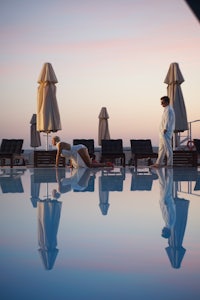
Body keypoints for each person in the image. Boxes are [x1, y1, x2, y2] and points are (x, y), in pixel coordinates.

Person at [151, 96, 175, 168]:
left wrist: (165, 128)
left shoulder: (169, 110)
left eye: (162, 102)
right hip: (163, 132)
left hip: (166, 132)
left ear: (167, 102)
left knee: (168, 147)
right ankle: (158, 163)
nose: (161, 104)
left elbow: (168, 120)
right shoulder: (166, 109)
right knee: (161, 148)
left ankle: (170, 164)